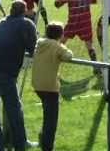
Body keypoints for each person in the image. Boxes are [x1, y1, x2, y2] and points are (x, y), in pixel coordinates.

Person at [0, 0, 38, 151]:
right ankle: (20, 143)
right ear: (25, 10)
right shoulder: (27, 24)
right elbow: (34, 49)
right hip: (3, 69)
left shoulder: (3, 22)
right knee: (13, 106)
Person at [32, 22, 73, 151]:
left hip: (37, 84)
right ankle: (47, 147)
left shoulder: (40, 43)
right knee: (51, 120)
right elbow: (68, 56)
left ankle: (42, 137)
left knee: (47, 113)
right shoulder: (57, 46)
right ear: (60, 35)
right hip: (50, 87)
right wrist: (65, 49)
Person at [54, 0, 98, 72]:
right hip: (85, 23)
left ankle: (54, 63)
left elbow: (57, 4)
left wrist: (58, 1)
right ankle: (96, 67)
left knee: (61, 43)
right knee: (89, 46)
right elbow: (94, 1)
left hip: (73, 22)